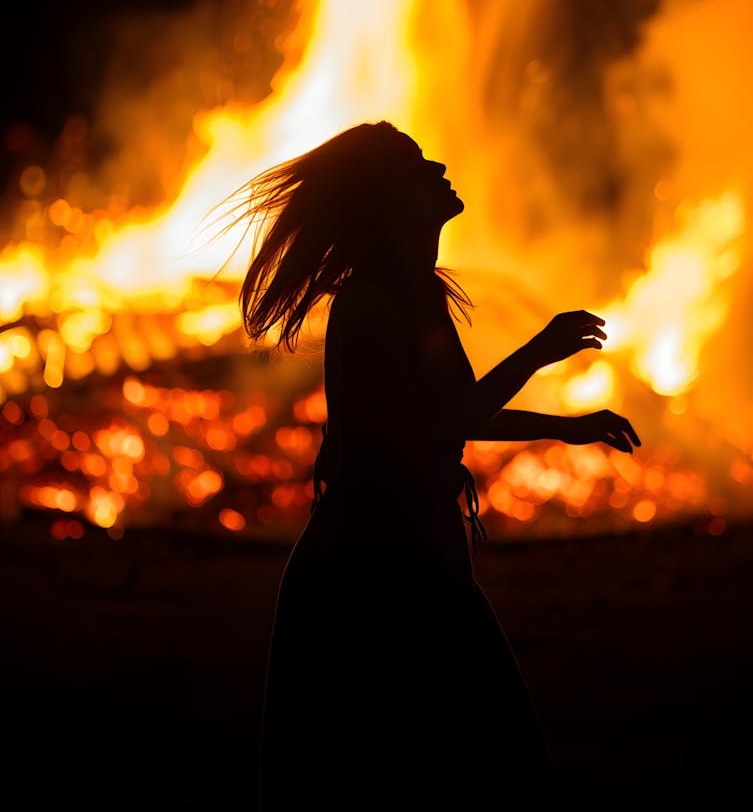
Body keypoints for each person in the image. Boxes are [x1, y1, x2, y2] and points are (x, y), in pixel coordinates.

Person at [228, 121, 640, 809]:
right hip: (370, 578)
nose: (440, 168)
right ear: (387, 200)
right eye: (417, 168)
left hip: (414, 561)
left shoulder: (417, 294)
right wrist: (536, 350)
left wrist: (566, 428)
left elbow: (453, 411)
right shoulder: (367, 305)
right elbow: (439, 426)